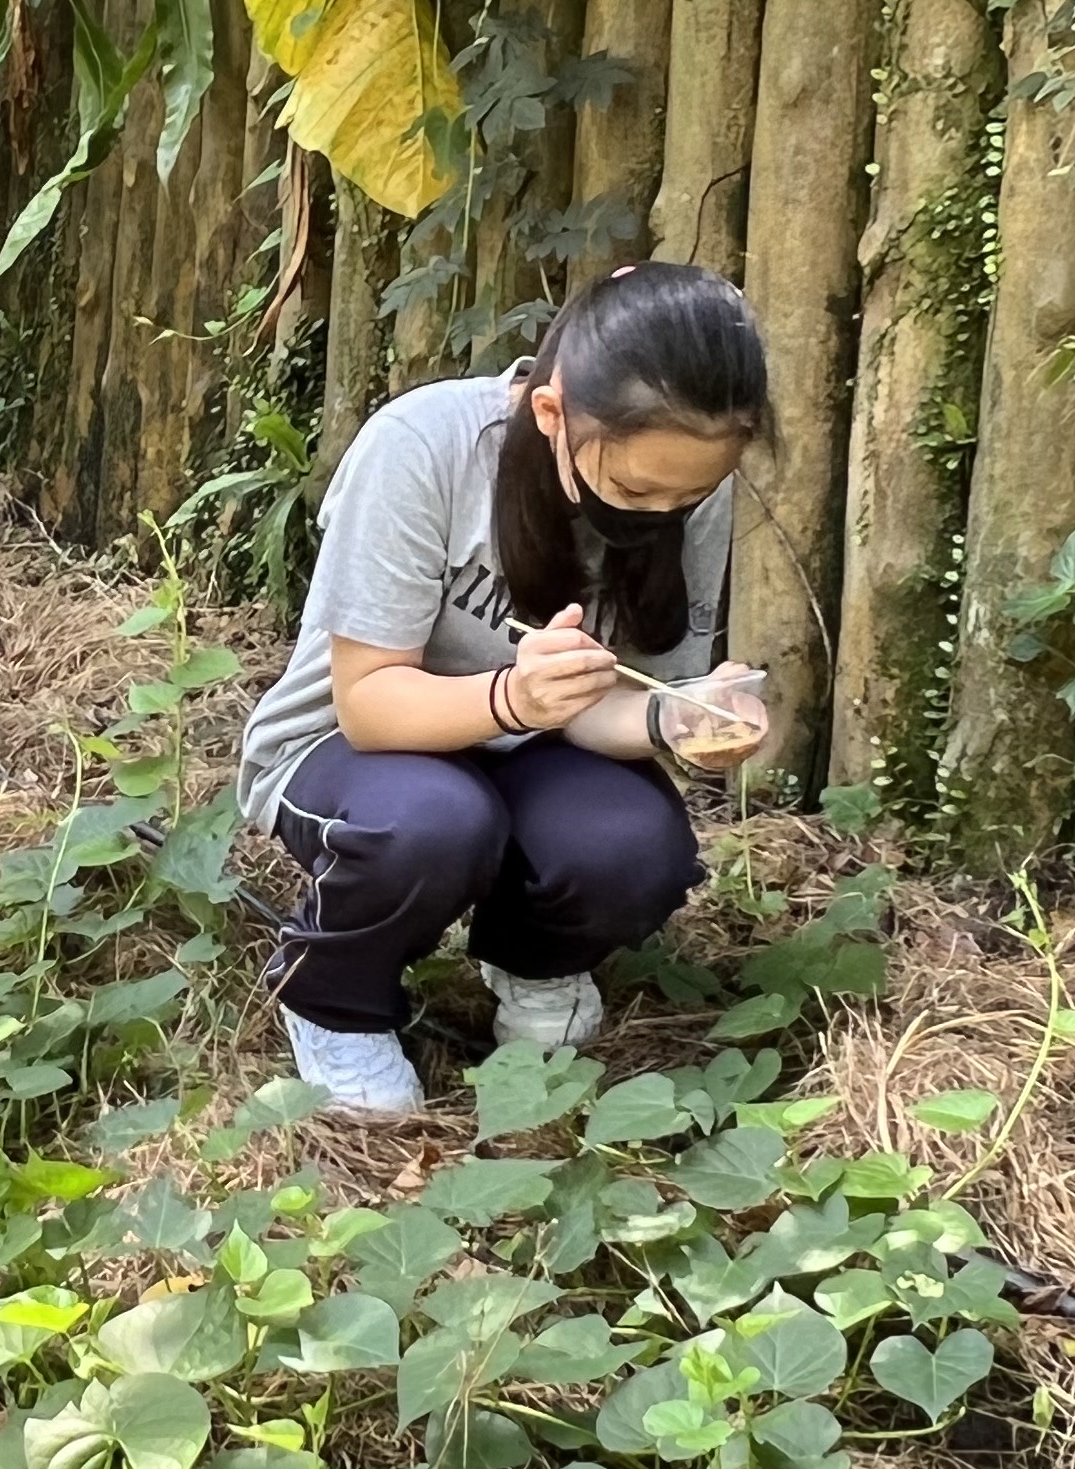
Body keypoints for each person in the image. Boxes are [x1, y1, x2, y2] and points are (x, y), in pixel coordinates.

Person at [234, 262, 776, 1117]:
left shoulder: (684, 487)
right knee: (438, 822)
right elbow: (367, 705)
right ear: (551, 414)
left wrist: (682, 715)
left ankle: (531, 960)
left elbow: (607, 706)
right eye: (636, 489)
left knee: (637, 846)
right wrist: (513, 701)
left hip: (538, 748)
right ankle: (332, 997)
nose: (662, 511)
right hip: (352, 748)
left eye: (691, 494)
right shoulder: (425, 445)